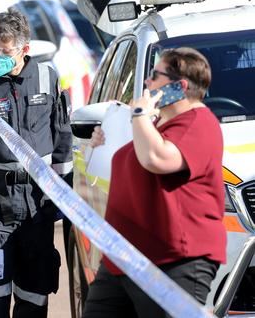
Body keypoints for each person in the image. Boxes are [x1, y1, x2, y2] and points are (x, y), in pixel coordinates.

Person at [82, 48, 226, 317]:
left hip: (172, 262)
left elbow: (157, 158)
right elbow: (120, 166)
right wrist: (97, 145)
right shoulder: (153, 124)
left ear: (180, 86)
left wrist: (139, 114)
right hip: (123, 260)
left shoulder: (198, 122)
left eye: (154, 76)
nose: (147, 83)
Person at [0, 10, 73, 318]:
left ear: (24, 49)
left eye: (6, 52)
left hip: (37, 203)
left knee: (34, 293)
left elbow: (62, 138)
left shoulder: (47, 76)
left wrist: (64, 196)